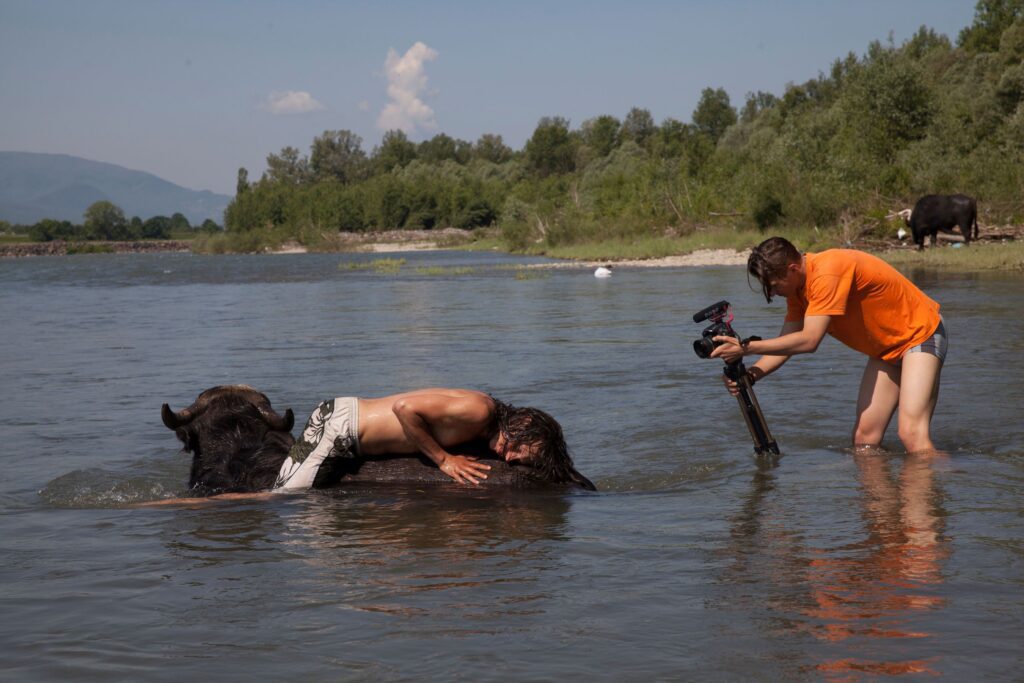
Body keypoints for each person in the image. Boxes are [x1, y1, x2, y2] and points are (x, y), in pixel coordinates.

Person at [710, 237, 946, 453]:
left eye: (774, 286)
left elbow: (809, 340)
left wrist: (745, 347)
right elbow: (786, 343)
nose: (772, 293)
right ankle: (878, 500)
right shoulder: (797, 290)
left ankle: (947, 488)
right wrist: (750, 376)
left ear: (792, 269)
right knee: (865, 440)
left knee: (911, 434)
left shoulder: (827, 273)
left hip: (920, 335)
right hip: (886, 350)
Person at [276, 388, 592, 488]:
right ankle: (227, 504)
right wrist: (444, 460)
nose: (511, 457)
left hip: (350, 434)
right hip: (338, 428)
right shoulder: (479, 411)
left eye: (520, 460)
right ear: (522, 421)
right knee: (280, 501)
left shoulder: (485, 424)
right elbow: (405, 409)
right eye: (521, 447)